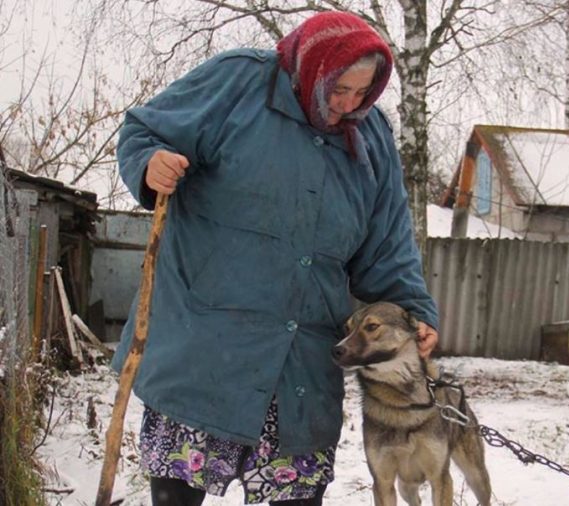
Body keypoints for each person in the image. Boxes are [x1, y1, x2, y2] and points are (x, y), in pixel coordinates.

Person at [111, 11, 439, 506]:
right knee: (176, 498)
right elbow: (143, 131)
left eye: (361, 94)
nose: (347, 105)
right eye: (338, 89)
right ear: (314, 68)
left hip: (300, 368)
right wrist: (150, 162)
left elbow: (388, 248)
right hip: (203, 351)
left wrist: (415, 313)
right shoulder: (237, 82)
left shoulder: (371, 137)